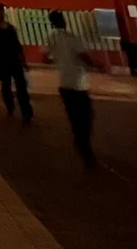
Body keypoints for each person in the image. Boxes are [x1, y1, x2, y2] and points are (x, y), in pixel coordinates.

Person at [45, 10, 94, 164]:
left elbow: (45, 57)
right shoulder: (72, 37)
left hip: (64, 82)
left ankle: (79, 139)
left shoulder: (51, 37)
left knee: (74, 115)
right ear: (63, 20)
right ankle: (83, 142)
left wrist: (59, 61)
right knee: (86, 114)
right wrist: (97, 65)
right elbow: (83, 56)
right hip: (78, 81)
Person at [0, 3, 32, 122]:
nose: (0, 13)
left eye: (1, 10)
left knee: (21, 85)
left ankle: (26, 111)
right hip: (2, 59)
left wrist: (23, 60)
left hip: (13, 58)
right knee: (6, 85)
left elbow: (17, 44)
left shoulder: (10, 27)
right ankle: (10, 106)